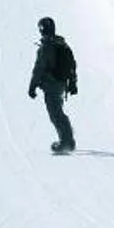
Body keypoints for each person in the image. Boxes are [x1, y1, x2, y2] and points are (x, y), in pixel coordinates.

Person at [27, 16, 78, 154]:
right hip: (61, 83)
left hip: (52, 84)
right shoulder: (62, 44)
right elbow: (72, 65)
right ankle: (68, 139)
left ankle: (67, 142)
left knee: (56, 113)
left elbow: (39, 68)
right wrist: (73, 83)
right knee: (57, 112)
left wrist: (32, 86)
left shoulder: (46, 47)